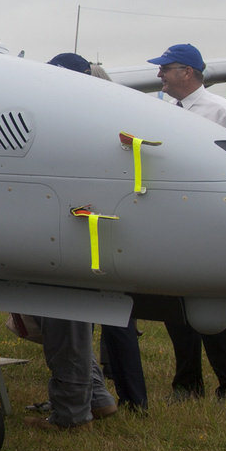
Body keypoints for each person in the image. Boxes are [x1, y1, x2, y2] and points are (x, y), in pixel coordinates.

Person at [46, 52, 150, 412]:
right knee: (102, 319)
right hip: (98, 230)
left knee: (65, 317)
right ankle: (102, 394)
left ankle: (73, 407)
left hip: (78, 230)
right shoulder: (111, 111)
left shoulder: (78, 117)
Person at [148, 43, 226, 406]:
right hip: (173, 218)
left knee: (212, 305)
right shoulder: (161, 108)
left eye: (165, 68)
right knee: (175, 306)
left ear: (187, 72)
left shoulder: (222, 111)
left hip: (211, 221)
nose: (159, 74)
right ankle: (187, 383)